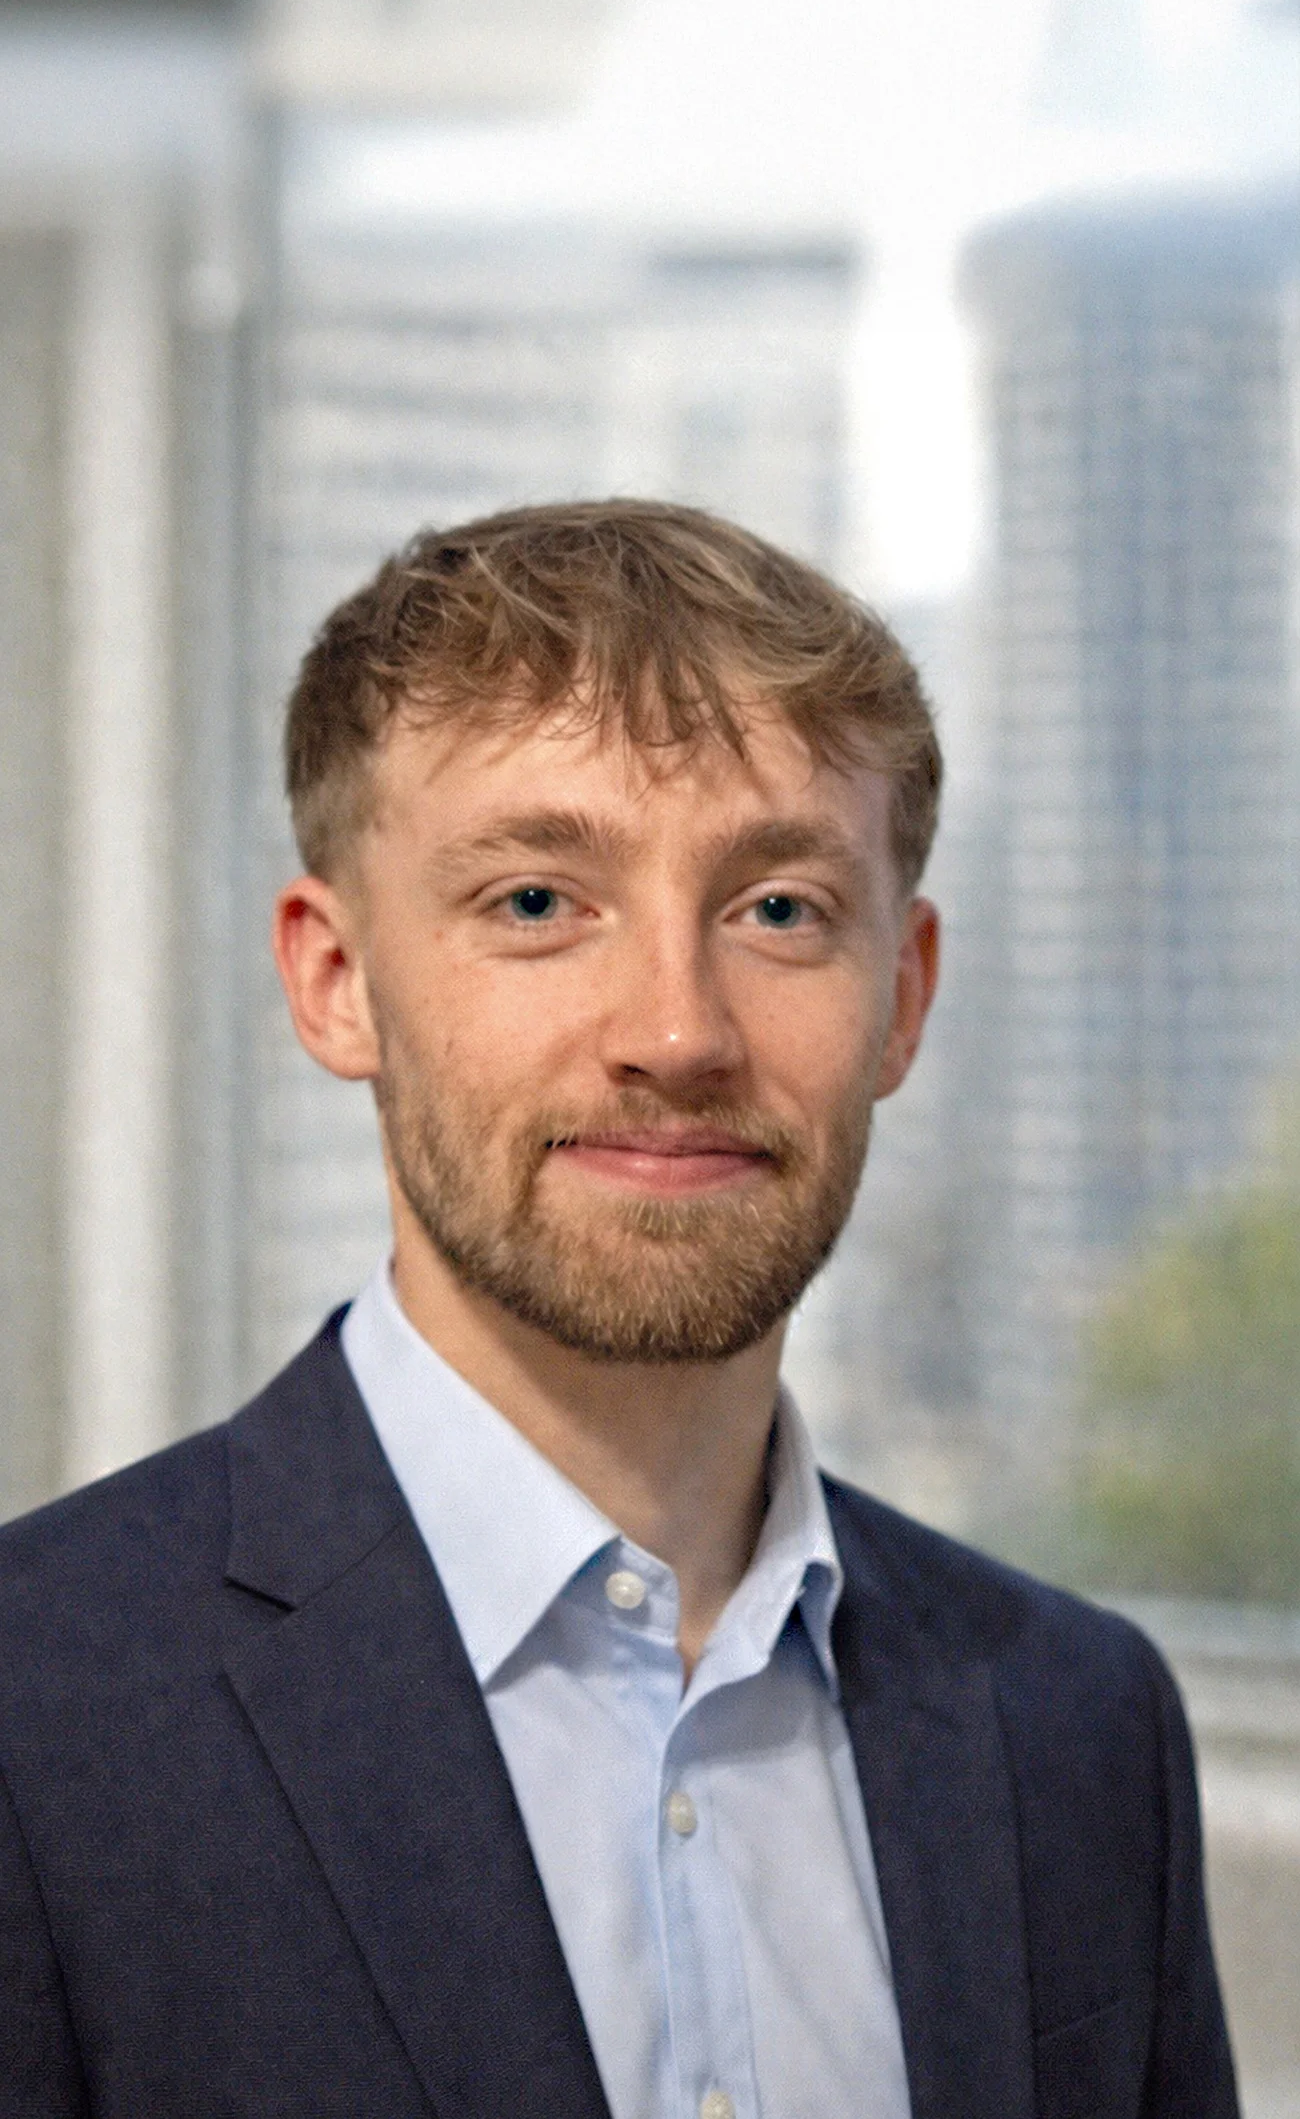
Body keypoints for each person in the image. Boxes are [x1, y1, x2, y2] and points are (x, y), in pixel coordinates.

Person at [0, 501, 1236, 2119]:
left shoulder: (1083, 1726)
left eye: (779, 908)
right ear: (336, 980)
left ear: (904, 996)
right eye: (537, 901)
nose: (677, 1030)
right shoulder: (35, 1716)